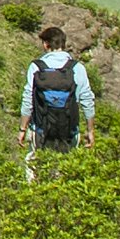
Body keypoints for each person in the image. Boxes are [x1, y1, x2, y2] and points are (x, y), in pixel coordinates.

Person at [21, 24, 97, 174]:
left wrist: (22, 129)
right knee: (64, 171)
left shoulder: (37, 67)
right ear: (63, 43)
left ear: (45, 44)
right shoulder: (76, 68)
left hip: (40, 130)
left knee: (34, 167)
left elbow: (28, 99)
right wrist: (90, 130)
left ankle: (35, 195)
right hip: (69, 130)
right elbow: (87, 100)